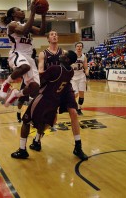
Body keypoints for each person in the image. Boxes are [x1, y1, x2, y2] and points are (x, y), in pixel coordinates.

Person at [11, 50, 88, 161]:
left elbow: (39, 81)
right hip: (54, 101)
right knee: (45, 122)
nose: (61, 55)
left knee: (26, 121)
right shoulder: (70, 71)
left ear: (67, 59)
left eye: (64, 55)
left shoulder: (55, 68)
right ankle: (36, 141)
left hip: (43, 98)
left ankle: (22, 150)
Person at [30, 30, 88, 160]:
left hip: (65, 87)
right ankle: (37, 139)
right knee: (52, 120)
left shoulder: (64, 53)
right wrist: (52, 73)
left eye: (56, 34)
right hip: (51, 89)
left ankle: (78, 146)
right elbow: (40, 70)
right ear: (48, 39)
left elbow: (70, 68)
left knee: (73, 112)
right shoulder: (43, 53)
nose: (55, 35)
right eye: (51, 34)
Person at [0, 0, 46, 105]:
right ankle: (6, 84)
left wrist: (43, 15)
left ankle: (17, 94)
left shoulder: (26, 25)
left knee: (35, 89)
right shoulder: (12, 25)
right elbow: (23, 31)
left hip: (29, 57)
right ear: (13, 14)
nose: (22, 11)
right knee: (25, 67)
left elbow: (41, 32)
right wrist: (32, 13)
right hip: (17, 53)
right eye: (19, 10)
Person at [71, 42, 89, 115]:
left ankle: (79, 108)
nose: (79, 47)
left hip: (81, 76)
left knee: (81, 93)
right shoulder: (72, 56)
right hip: (73, 77)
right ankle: (71, 106)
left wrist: (87, 72)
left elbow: (86, 67)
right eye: (78, 46)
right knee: (75, 94)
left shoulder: (84, 57)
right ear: (75, 47)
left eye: (80, 46)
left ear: (82, 47)